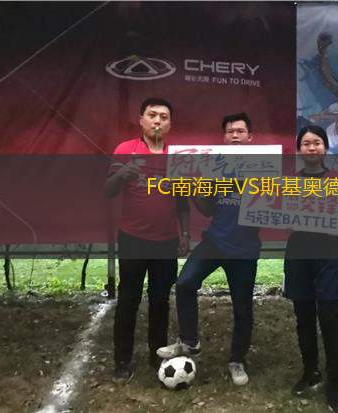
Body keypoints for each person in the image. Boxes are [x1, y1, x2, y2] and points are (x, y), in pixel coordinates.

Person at [157, 113, 260, 386]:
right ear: (223, 137)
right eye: (230, 131)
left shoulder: (265, 166)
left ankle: (237, 360)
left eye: (240, 131)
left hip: (245, 248)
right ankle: (189, 341)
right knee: (185, 283)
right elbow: (208, 208)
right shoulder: (216, 166)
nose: (235, 135)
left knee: (243, 309)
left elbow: (274, 206)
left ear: (251, 137)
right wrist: (194, 190)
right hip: (215, 241)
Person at [105, 97, 190, 384]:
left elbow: (182, 200)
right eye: (152, 115)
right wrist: (122, 174)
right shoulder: (125, 149)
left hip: (166, 241)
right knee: (128, 300)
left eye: (163, 117)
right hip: (133, 239)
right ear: (141, 119)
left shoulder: (178, 156)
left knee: (160, 300)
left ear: (170, 124)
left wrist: (185, 233)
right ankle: (122, 360)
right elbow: (108, 191)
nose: (157, 121)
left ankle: (157, 356)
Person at [284, 125, 338, 412]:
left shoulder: (337, 179)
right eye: (306, 143)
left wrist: (337, 223)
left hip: (329, 255)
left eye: (317, 143)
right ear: (299, 150)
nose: (311, 147)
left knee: (330, 318)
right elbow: (279, 212)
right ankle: (310, 371)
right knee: (303, 318)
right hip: (298, 254)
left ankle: (334, 381)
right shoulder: (290, 181)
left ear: (325, 147)